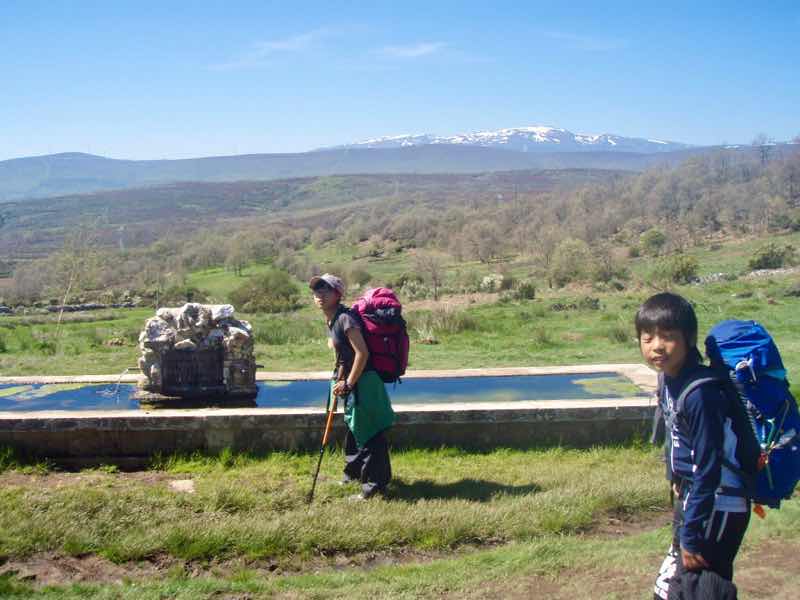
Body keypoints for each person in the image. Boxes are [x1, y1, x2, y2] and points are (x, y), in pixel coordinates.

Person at [635, 292, 750, 600]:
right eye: (647, 338)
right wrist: (675, 479)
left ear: (689, 338)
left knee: (704, 591)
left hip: (719, 503)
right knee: (673, 589)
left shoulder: (701, 393)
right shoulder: (668, 379)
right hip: (695, 499)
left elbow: (709, 468)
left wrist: (690, 534)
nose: (657, 346)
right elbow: (674, 439)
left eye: (668, 337)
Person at [309, 273, 395, 500]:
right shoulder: (332, 318)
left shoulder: (345, 319)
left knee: (371, 435)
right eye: (317, 291)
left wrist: (348, 382)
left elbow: (362, 353)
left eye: (325, 290)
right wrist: (339, 380)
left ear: (338, 294)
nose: (320, 295)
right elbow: (342, 356)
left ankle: (375, 488)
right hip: (353, 382)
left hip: (365, 383)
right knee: (354, 429)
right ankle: (353, 474)